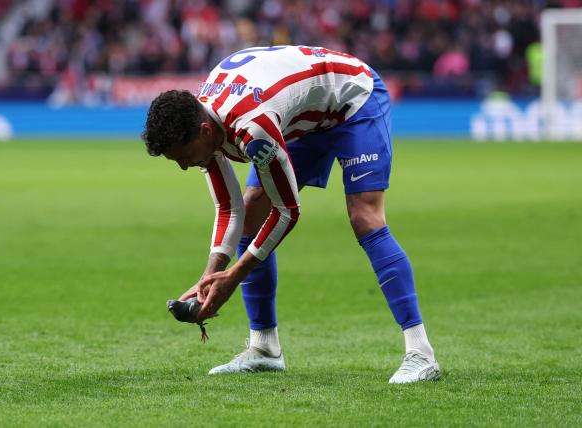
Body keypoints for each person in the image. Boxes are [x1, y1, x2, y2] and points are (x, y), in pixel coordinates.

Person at [142, 45, 441, 383]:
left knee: (364, 217)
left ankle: (421, 353)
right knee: (253, 211)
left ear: (205, 132)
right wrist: (208, 279)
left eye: (183, 156)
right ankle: (265, 349)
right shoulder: (200, 119)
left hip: (353, 100)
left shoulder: (251, 128)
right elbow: (229, 207)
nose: (183, 166)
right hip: (303, 117)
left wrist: (234, 276)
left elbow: (287, 212)